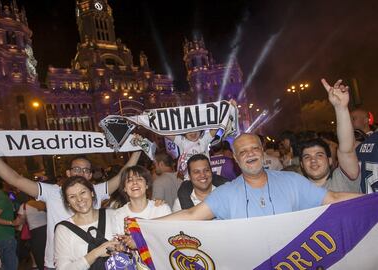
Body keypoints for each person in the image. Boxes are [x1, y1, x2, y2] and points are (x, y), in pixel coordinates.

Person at [0, 130, 141, 269]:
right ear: (68, 173)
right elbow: (15, 179)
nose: (80, 173)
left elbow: (122, 177)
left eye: (85, 170)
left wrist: (137, 150)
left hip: (100, 260)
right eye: (76, 169)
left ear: (90, 176)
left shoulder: (95, 191)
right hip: (60, 262)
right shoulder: (52, 192)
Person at [158, 131, 362, 221]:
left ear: (263, 152)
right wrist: (141, 227)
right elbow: (191, 215)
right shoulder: (226, 193)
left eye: (254, 148)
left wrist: (373, 200)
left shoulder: (292, 181)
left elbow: (333, 198)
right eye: (243, 152)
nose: (250, 154)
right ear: (236, 160)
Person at [299, 79, 360, 193]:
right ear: (301, 165)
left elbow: (347, 150)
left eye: (319, 155)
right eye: (307, 157)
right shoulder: (298, 193)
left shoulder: (343, 179)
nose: (313, 160)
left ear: (330, 160)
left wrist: (340, 108)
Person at [54, 176, 119, 270]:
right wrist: (96, 253)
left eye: (83, 192)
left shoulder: (113, 215)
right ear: (68, 202)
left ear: (92, 193)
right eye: (72, 196)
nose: (79, 199)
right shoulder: (63, 229)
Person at [112, 166, 171, 236]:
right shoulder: (118, 215)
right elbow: (117, 244)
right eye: (129, 180)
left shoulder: (161, 209)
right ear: (124, 188)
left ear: (147, 185)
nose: (134, 182)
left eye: (139, 179)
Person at [0, 176, 22, 270]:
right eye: (8, 181)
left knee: (5, 266)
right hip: (5, 237)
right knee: (11, 266)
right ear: (3, 183)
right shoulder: (2, 198)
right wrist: (12, 223)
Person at [17, 198, 47, 270]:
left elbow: (20, 221)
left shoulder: (24, 205)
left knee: (39, 256)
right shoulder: (43, 203)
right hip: (47, 230)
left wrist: (11, 223)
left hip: (35, 233)